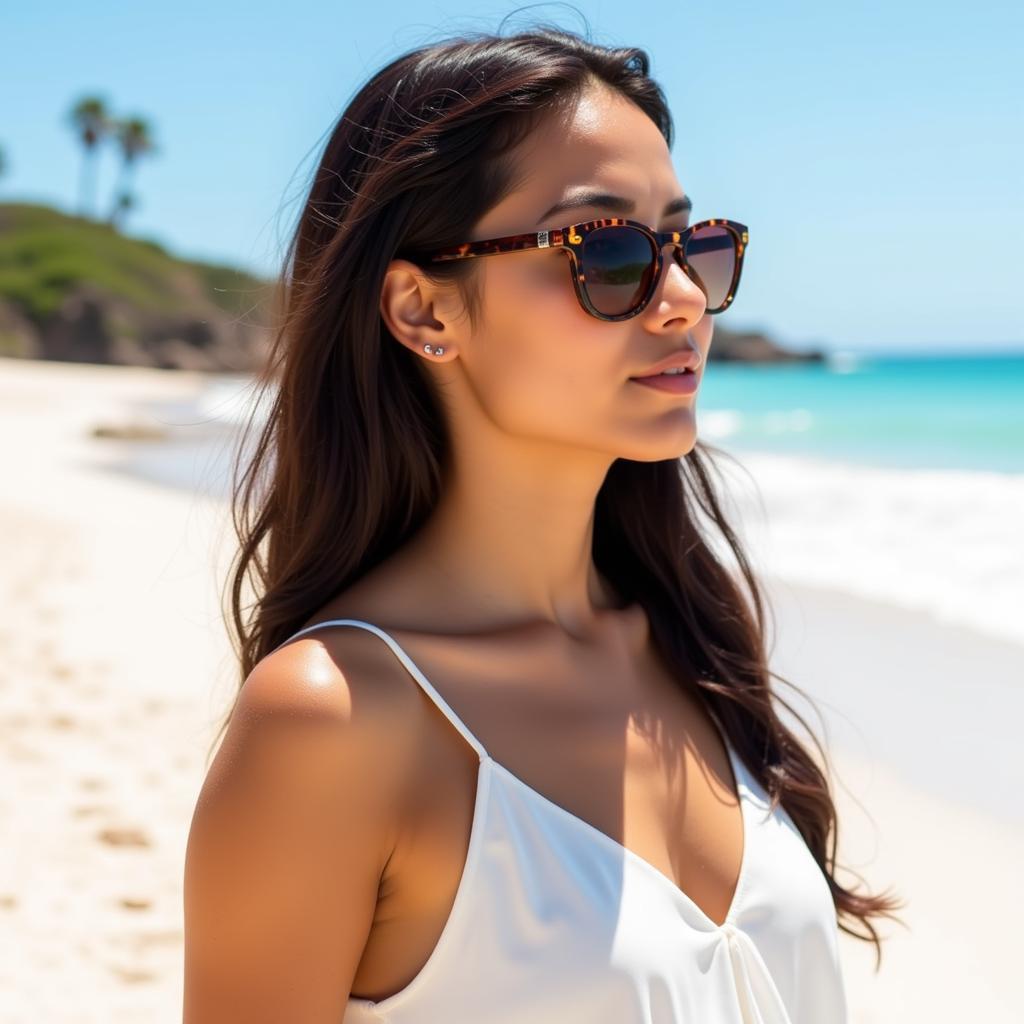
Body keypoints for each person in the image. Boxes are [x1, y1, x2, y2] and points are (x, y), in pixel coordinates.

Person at [182, 24, 902, 1024]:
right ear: (423, 310)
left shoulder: (686, 643)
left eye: (690, 245)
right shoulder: (333, 721)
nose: (686, 300)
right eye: (605, 252)